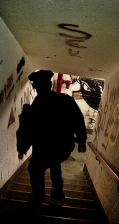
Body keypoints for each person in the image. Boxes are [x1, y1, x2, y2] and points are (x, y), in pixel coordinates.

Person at [17, 70, 87, 203]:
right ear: (50, 84)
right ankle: (58, 188)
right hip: (64, 149)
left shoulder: (35, 106)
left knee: (35, 167)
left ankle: (38, 196)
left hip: (43, 150)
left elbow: (27, 129)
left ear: (34, 86)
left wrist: (22, 148)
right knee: (54, 160)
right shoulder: (67, 100)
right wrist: (82, 141)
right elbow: (78, 119)